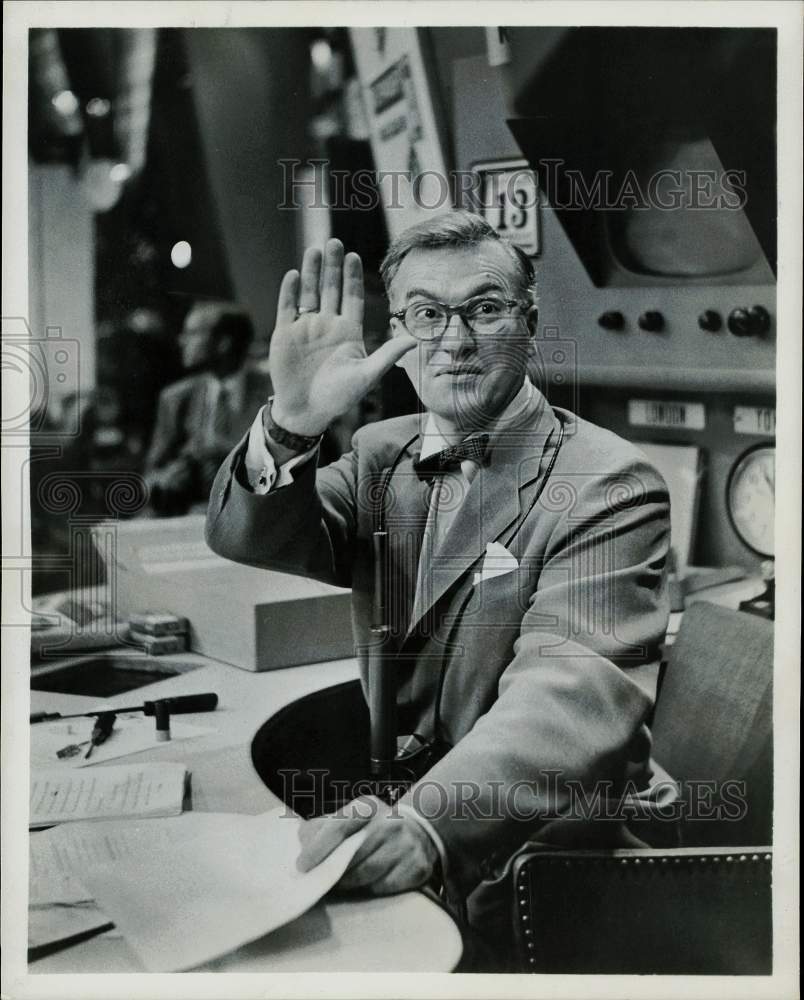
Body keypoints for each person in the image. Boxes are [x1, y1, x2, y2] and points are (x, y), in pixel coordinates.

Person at [205, 212, 675, 963]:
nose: (454, 342)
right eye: (427, 314)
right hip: (408, 825)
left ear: (528, 321)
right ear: (399, 335)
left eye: (484, 310)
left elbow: (572, 688)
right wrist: (293, 423)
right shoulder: (379, 453)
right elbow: (249, 535)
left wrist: (427, 827)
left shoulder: (609, 483)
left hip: (540, 861)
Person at [145, 302, 271, 515]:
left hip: (258, 518)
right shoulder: (176, 399)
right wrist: (166, 478)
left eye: (192, 333)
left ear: (223, 343)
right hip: (192, 521)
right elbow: (149, 477)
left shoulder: (273, 394)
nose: (181, 340)